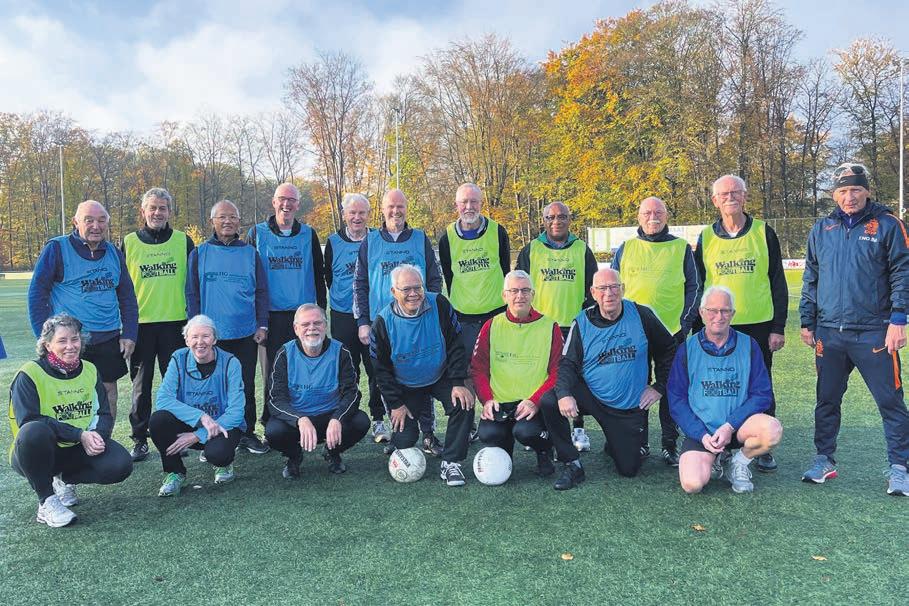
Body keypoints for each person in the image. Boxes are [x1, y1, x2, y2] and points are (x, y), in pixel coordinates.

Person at [799, 163, 909, 496]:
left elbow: (902, 272)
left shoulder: (888, 224)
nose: (850, 197)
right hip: (830, 333)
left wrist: (899, 320)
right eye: (844, 191)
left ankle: (900, 467)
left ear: (867, 192)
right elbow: (811, 276)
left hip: (875, 331)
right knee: (826, 399)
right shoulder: (822, 229)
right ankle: (824, 459)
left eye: (856, 190)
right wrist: (807, 320)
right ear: (835, 195)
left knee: (890, 401)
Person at [540, 269, 676, 490]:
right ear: (593, 292)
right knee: (550, 400)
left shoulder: (641, 315)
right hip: (591, 395)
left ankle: (615, 443)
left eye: (614, 287)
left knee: (629, 469)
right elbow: (567, 364)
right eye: (602, 288)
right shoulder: (582, 322)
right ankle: (572, 463)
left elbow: (669, 349)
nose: (609, 293)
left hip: (626, 407)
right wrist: (564, 394)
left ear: (623, 289)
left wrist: (659, 386)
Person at [694, 175, 787, 473]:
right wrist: (698, 326)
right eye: (724, 194)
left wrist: (778, 326)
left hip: (758, 324)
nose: (730, 197)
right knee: (719, 384)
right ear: (715, 201)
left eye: (736, 192)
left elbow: (777, 281)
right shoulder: (706, 237)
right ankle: (719, 440)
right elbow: (699, 285)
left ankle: (762, 448)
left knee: (761, 384)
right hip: (719, 325)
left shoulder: (763, 232)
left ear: (745, 196)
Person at [8, 314, 133, 527]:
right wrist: (79, 434)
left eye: (75, 339)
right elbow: (28, 419)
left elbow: (103, 413)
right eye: (62, 341)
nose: (70, 346)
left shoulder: (90, 369)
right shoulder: (29, 374)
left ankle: (63, 478)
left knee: (120, 464)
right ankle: (46, 501)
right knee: (33, 431)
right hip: (37, 451)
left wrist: (97, 437)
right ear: (47, 345)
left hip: (75, 448)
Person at [27, 200, 139, 421]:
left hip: (108, 337)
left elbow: (127, 297)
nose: (96, 226)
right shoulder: (56, 249)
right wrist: (45, 338)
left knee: (108, 393)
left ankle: (103, 438)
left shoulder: (114, 253)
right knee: (70, 396)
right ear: (75, 222)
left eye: (101, 220)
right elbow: (36, 295)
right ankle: (72, 440)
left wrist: (129, 333)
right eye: (89, 220)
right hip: (71, 340)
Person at [353, 189, 444, 456]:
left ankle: (429, 434)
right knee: (388, 377)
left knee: (424, 374)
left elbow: (434, 278)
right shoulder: (370, 241)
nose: (396, 211)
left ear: (406, 208)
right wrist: (363, 321)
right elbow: (360, 284)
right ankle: (397, 431)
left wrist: (431, 310)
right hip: (383, 325)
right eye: (391, 206)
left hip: (418, 320)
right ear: (382, 210)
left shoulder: (419, 238)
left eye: (400, 206)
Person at [612, 196, 701, 465]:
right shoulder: (626, 247)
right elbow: (613, 289)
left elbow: (694, 287)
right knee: (636, 387)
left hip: (671, 332)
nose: (653, 217)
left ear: (666, 216)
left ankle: (669, 444)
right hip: (634, 332)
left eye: (658, 212)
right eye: (647, 213)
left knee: (670, 388)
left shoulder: (681, 248)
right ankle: (639, 442)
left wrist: (684, 323)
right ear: (638, 217)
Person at [668, 286, 782, 494]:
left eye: (725, 311)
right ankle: (715, 456)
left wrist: (730, 426)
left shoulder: (749, 345)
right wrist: (701, 434)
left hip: (738, 427)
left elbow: (762, 394)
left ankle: (739, 462)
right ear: (702, 313)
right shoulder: (687, 349)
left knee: (772, 430)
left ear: (733, 314)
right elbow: (676, 399)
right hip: (703, 431)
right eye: (712, 310)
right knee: (692, 484)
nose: (719, 317)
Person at [370, 265, 475, 486]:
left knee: (463, 403)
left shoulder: (439, 304)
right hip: (406, 385)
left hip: (441, 375)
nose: (414, 294)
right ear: (393, 292)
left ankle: (451, 463)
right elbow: (380, 370)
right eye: (406, 289)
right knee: (404, 440)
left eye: (418, 287)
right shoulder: (382, 322)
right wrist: (396, 404)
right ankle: (404, 438)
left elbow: (456, 344)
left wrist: (458, 382)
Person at [186, 200, 269, 454]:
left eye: (233, 217)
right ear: (212, 221)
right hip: (211, 337)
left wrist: (262, 324)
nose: (228, 221)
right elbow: (192, 294)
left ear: (239, 222)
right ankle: (212, 436)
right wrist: (196, 332)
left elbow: (261, 291)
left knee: (244, 384)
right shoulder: (199, 253)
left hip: (245, 332)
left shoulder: (250, 253)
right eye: (222, 217)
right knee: (213, 387)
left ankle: (246, 432)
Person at [516, 201, 598, 452]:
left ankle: (578, 428)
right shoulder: (531, 249)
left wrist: (586, 320)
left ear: (569, 219)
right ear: (543, 221)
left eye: (562, 216)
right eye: (550, 217)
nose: (556, 221)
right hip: (540, 327)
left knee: (575, 378)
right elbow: (520, 287)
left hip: (574, 326)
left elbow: (592, 289)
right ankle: (539, 426)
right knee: (540, 377)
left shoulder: (582, 249)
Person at [122, 187, 195, 463]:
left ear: (169, 212)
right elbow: (121, 287)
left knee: (176, 384)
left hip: (175, 325)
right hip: (140, 326)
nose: (157, 213)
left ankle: (176, 434)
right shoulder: (129, 242)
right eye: (152, 208)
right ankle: (140, 439)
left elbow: (194, 281)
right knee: (141, 386)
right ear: (143, 211)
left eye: (162, 208)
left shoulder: (183, 241)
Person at [247, 183, 326, 430]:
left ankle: (307, 416)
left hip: (303, 317)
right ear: (274, 202)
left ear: (298, 205)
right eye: (282, 199)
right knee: (272, 371)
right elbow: (249, 277)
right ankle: (271, 420)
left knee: (305, 368)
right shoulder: (257, 233)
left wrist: (322, 311)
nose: (286, 204)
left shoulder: (308, 234)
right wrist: (257, 318)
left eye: (292, 200)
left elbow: (319, 274)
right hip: (270, 316)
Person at [470, 270, 561, 476]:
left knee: (527, 432)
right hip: (501, 403)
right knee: (488, 433)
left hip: (533, 406)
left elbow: (558, 371)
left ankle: (545, 450)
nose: (520, 296)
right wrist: (487, 400)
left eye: (525, 290)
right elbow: (478, 368)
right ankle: (505, 450)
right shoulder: (491, 325)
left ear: (533, 294)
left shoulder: (550, 326)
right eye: (514, 291)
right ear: (504, 296)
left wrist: (535, 401)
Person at [439, 183, 510, 444]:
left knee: (499, 368)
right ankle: (467, 425)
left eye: (474, 202)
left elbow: (505, 269)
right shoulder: (446, 237)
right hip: (463, 317)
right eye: (464, 202)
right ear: (456, 205)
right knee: (466, 371)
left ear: (481, 203)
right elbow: (449, 276)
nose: (469, 207)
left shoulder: (498, 231)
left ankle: (501, 418)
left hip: (495, 315)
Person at [266, 304, 370, 479]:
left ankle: (332, 451)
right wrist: (299, 419)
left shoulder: (340, 351)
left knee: (360, 421)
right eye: (305, 324)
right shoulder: (285, 353)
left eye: (317, 323)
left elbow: (352, 394)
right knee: (273, 432)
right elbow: (276, 399)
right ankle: (294, 456)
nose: (312, 328)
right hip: (298, 420)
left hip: (329, 417)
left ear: (325, 325)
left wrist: (337, 418)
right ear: (296, 329)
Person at [150, 315, 245, 496]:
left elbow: (236, 413)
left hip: (222, 426)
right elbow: (163, 399)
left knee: (218, 454)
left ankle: (224, 464)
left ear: (214, 339)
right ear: (186, 340)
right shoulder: (178, 358)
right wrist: (201, 417)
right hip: (191, 423)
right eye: (194, 337)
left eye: (206, 336)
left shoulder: (231, 363)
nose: (200, 342)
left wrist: (197, 435)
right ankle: (174, 472)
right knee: (158, 420)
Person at [325, 193, 388, 443]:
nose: (357, 217)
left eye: (362, 212)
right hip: (342, 316)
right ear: (344, 215)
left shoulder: (377, 240)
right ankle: (346, 416)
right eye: (352, 212)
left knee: (375, 368)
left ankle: (378, 419)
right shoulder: (332, 242)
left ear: (369, 215)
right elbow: (328, 277)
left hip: (372, 315)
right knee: (346, 369)